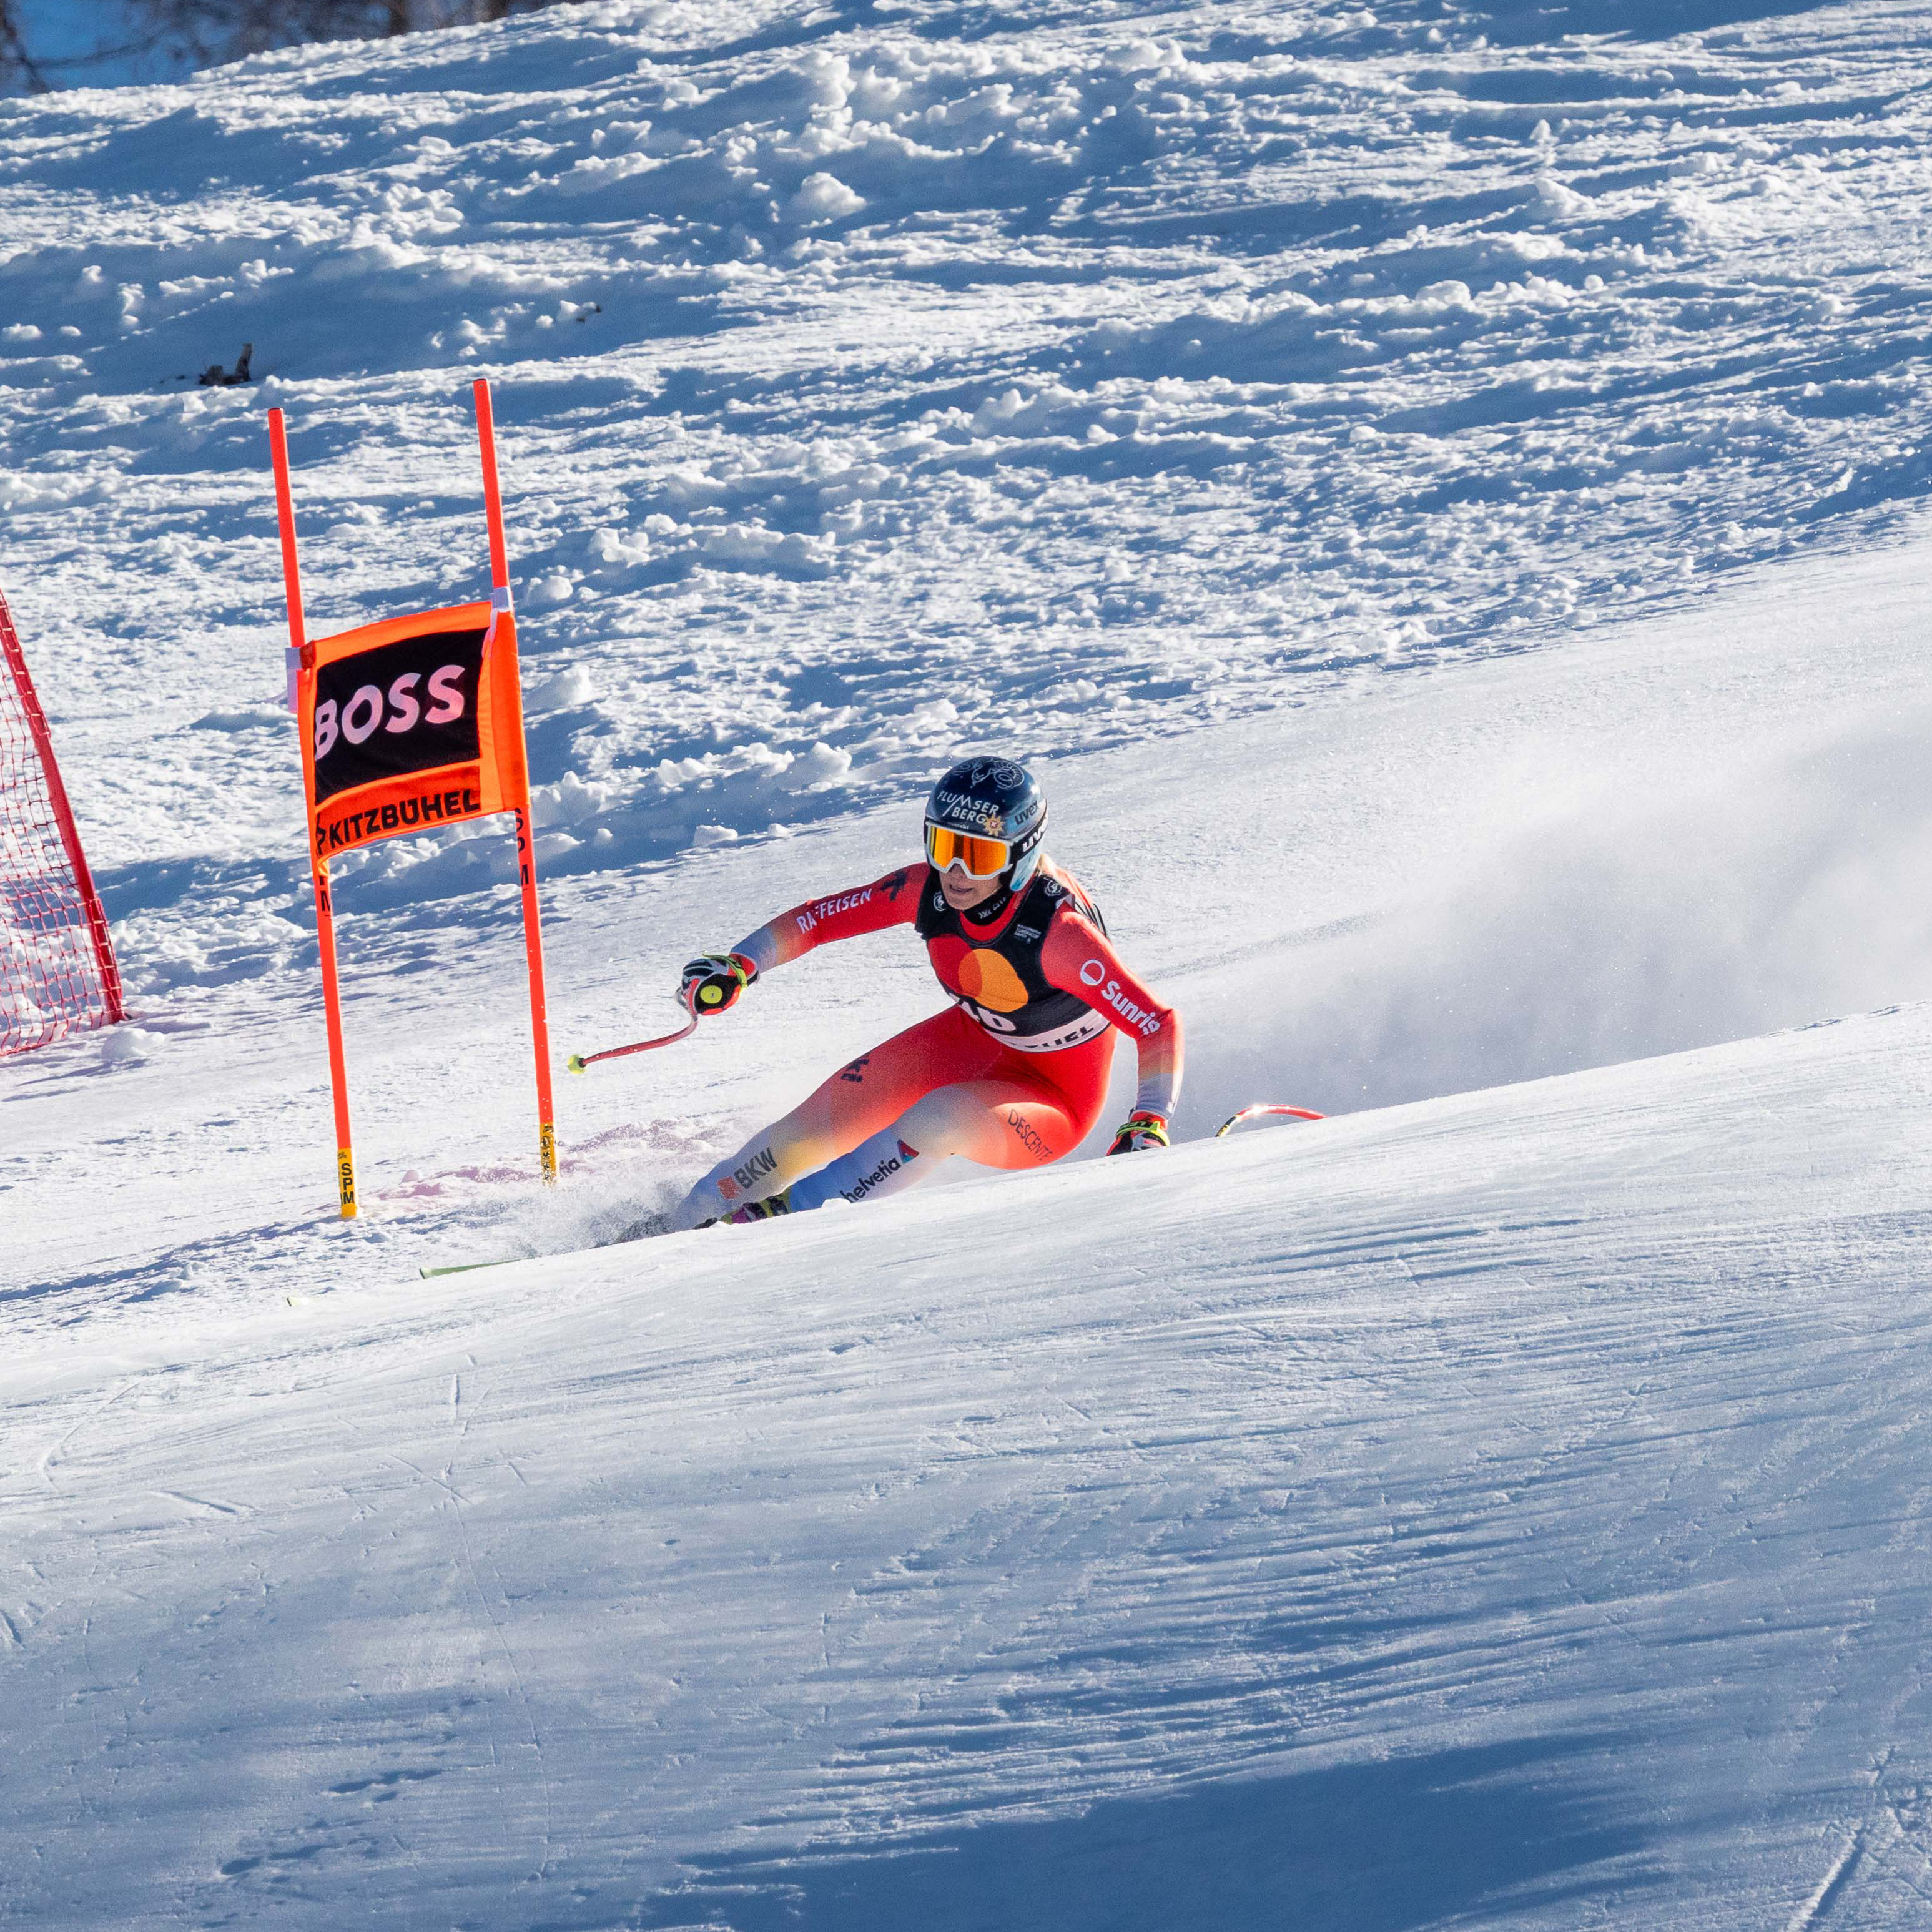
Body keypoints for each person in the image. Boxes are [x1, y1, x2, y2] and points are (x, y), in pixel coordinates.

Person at [670, 758, 1183, 1229]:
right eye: (943, 847)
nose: (957, 872)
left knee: (937, 1122)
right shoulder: (928, 890)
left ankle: (778, 1224)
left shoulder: (1060, 935)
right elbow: (819, 919)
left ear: (1021, 855)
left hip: (1052, 1101)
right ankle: (679, 1224)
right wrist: (740, 963)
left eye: (980, 856)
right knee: (798, 1137)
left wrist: (1150, 1121)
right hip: (970, 1042)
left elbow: (1156, 1022)